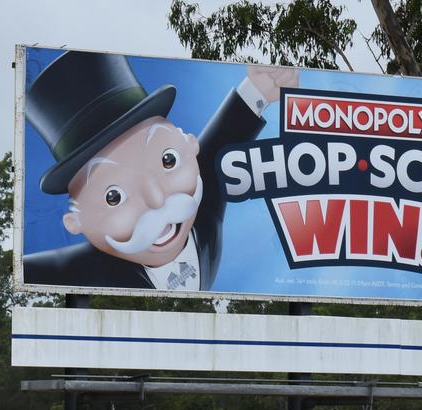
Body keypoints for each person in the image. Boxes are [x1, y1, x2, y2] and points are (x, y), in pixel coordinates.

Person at [22, 50, 297, 291]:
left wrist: (260, 89)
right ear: (75, 223)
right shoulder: (80, 272)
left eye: (168, 161)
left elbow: (221, 142)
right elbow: (32, 270)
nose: (156, 199)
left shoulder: (202, 202)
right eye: (113, 197)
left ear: (190, 146)